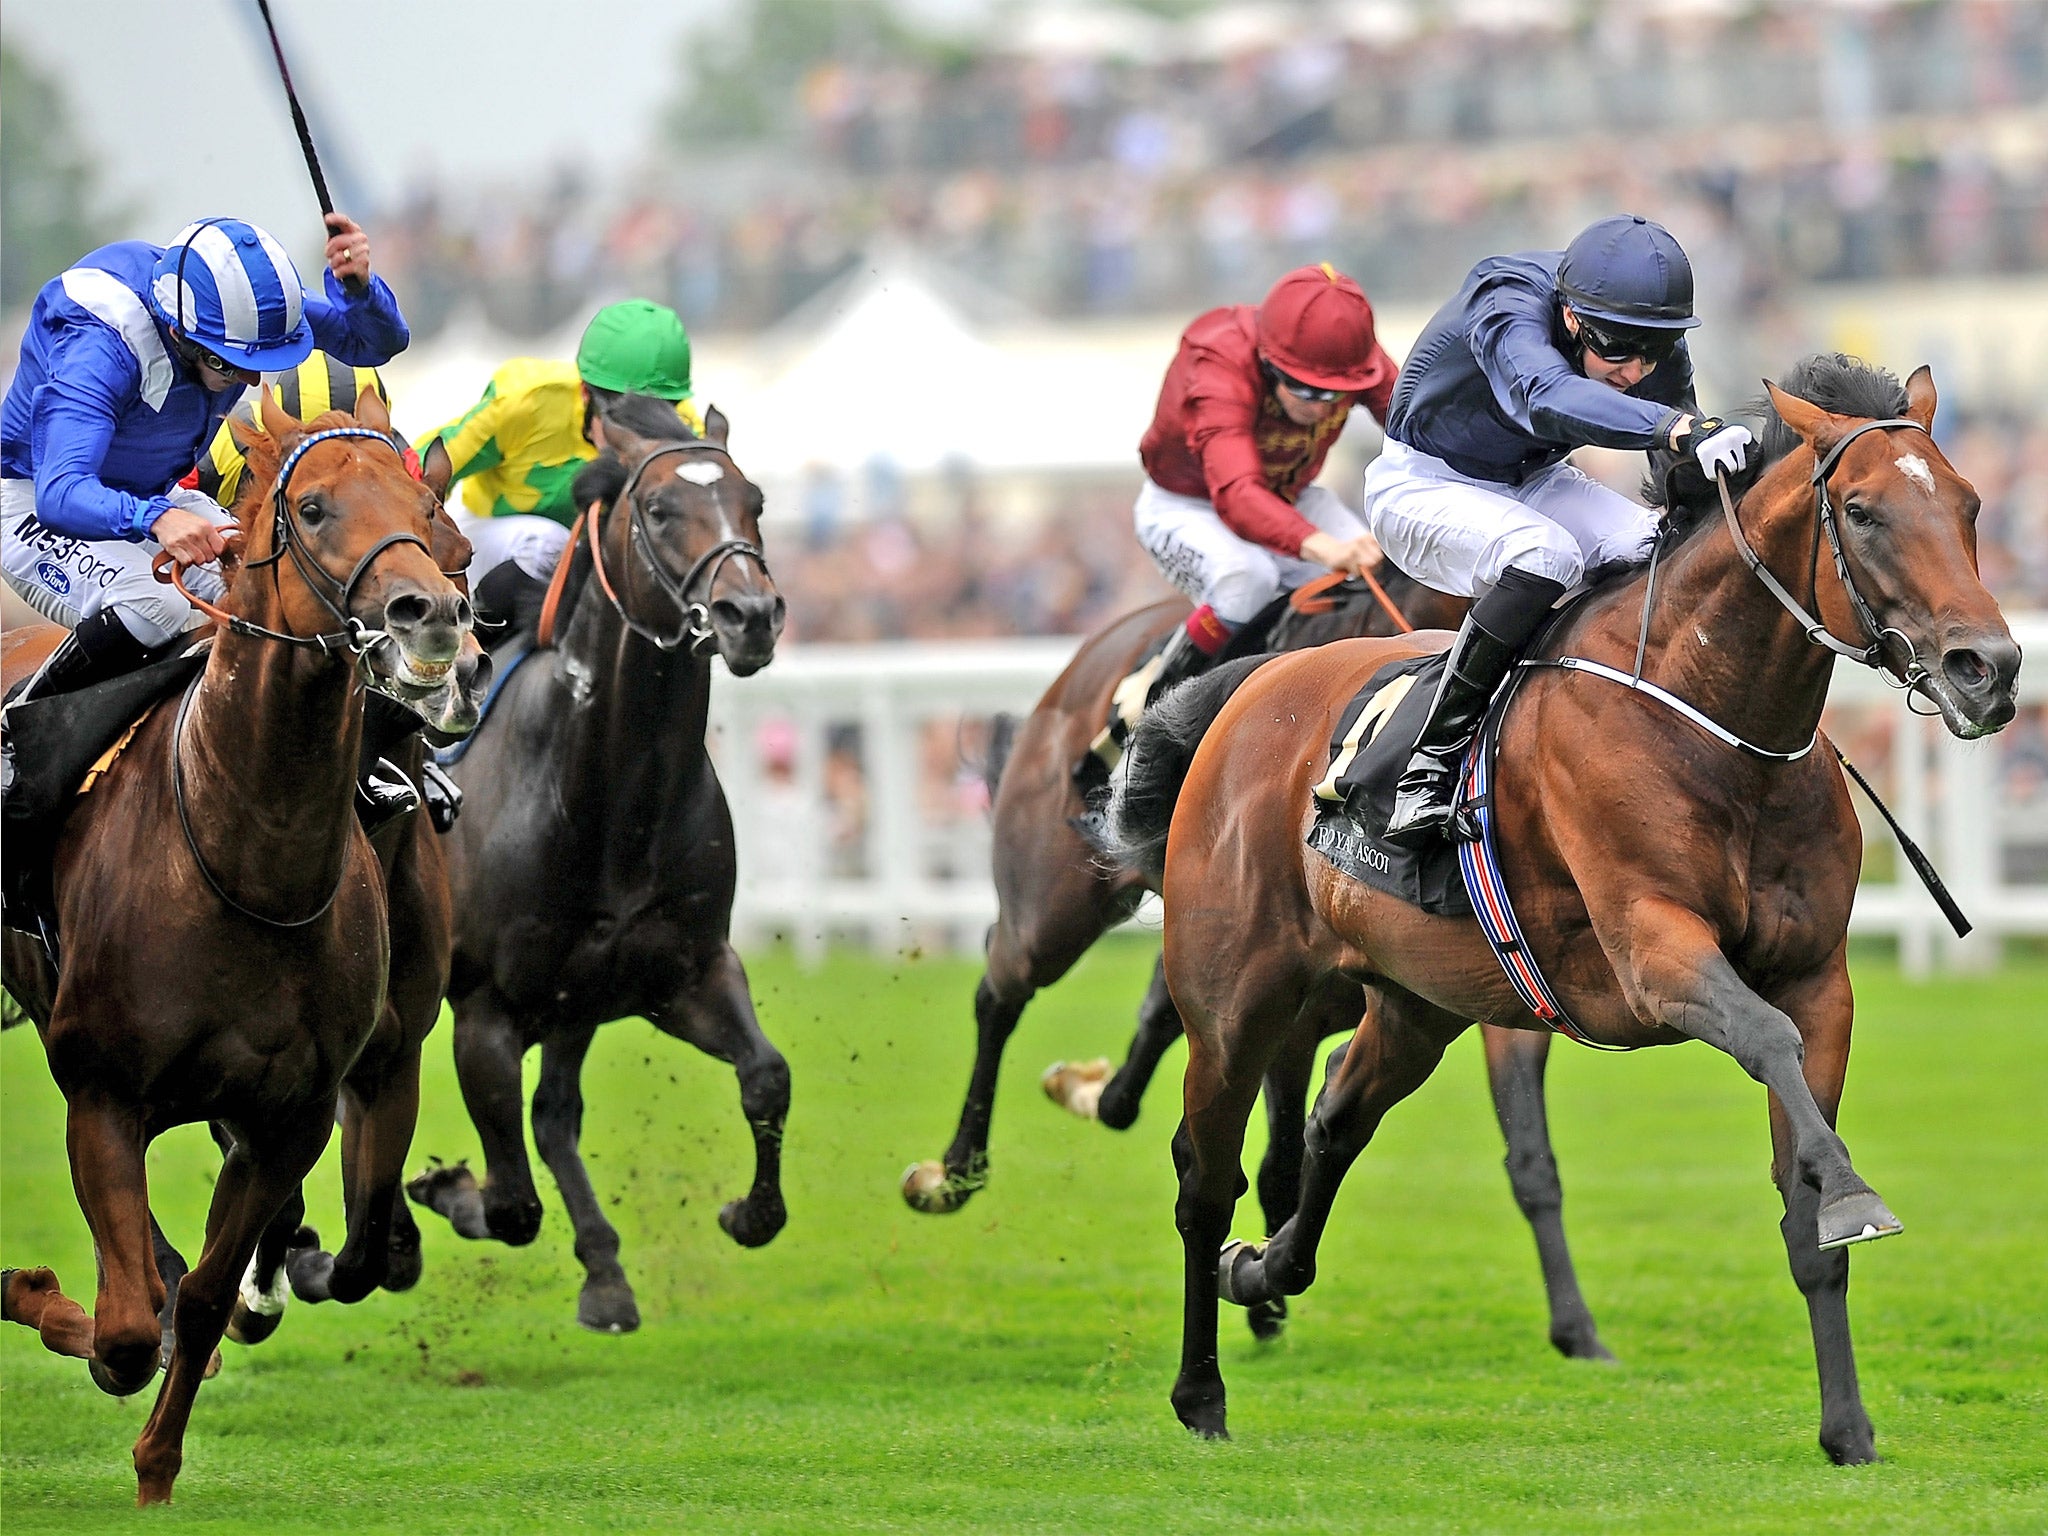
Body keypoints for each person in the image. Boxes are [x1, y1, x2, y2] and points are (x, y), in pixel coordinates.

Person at [0, 214, 416, 831]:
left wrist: (359, 289)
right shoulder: (101, 346)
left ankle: (336, 764)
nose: (250, 379)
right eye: (232, 365)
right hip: (35, 505)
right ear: (181, 334)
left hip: (147, 496)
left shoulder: (243, 308)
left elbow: (373, 344)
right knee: (160, 606)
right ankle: (14, 739)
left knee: (273, 591)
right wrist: (157, 517)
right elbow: (63, 491)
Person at [1364, 214, 1754, 846]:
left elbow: (1676, 451)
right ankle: (1423, 772)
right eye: (1619, 352)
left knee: (1659, 546)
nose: (1635, 370)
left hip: (1533, 479)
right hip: (1422, 483)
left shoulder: (1644, 336)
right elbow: (1544, 395)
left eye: (1650, 352)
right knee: (1548, 556)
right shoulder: (1507, 301)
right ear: (1571, 319)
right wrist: (1679, 432)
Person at [1134, 262, 1398, 700]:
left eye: (1336, 394)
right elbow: (1238, 495)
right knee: (1247, 579)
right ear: (1267, 361)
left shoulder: (1353, 359)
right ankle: (1157, 707)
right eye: (1307, 390)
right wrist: (1326, 547)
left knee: (1380, 580)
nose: (1321, 407)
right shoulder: (1217, 364)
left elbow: (1420, 425)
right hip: (1187, 506)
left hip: (1292, 499)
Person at [416, 298, 700, 639]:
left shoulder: (687, 433)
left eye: (654, 419)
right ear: (585, 394)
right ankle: (468, 645)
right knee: (549, 544)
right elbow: (418, 470)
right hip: (495, 542)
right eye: (623, 418)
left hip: (588, 561)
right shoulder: (527, 402)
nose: (635, 439)